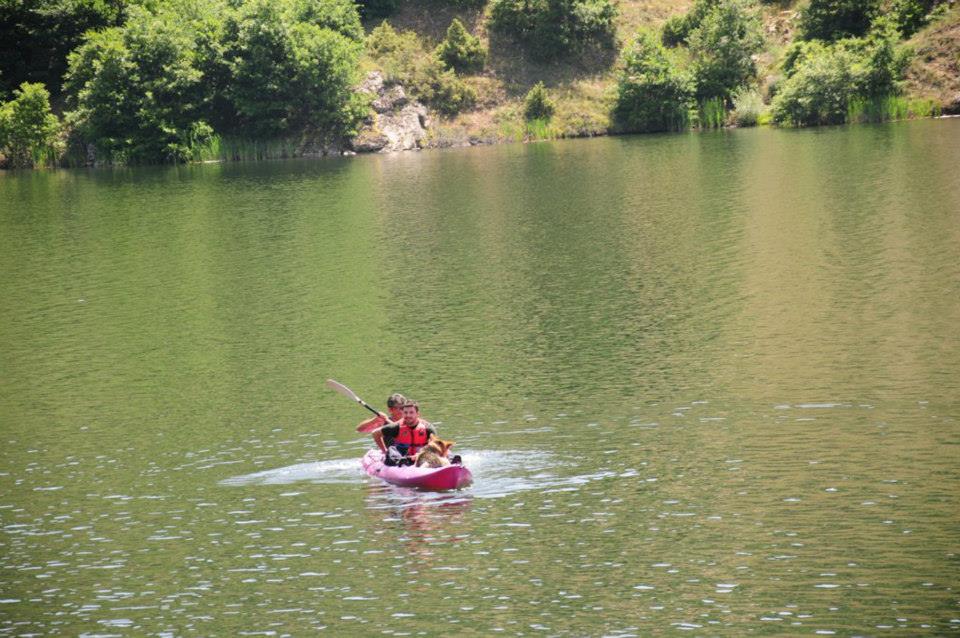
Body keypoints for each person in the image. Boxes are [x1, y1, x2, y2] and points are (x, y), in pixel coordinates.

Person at [373, 400, 436, 466]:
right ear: (403, 414)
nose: (408, 415)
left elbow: (435, 445)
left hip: (422, 456)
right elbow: (375, 433)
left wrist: (420, 455)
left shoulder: (428, 428)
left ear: (417, 414)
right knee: (392, 450)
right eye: (405, 412)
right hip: (402, 457)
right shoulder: (396, 427)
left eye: (411, 412)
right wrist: (384, 451)